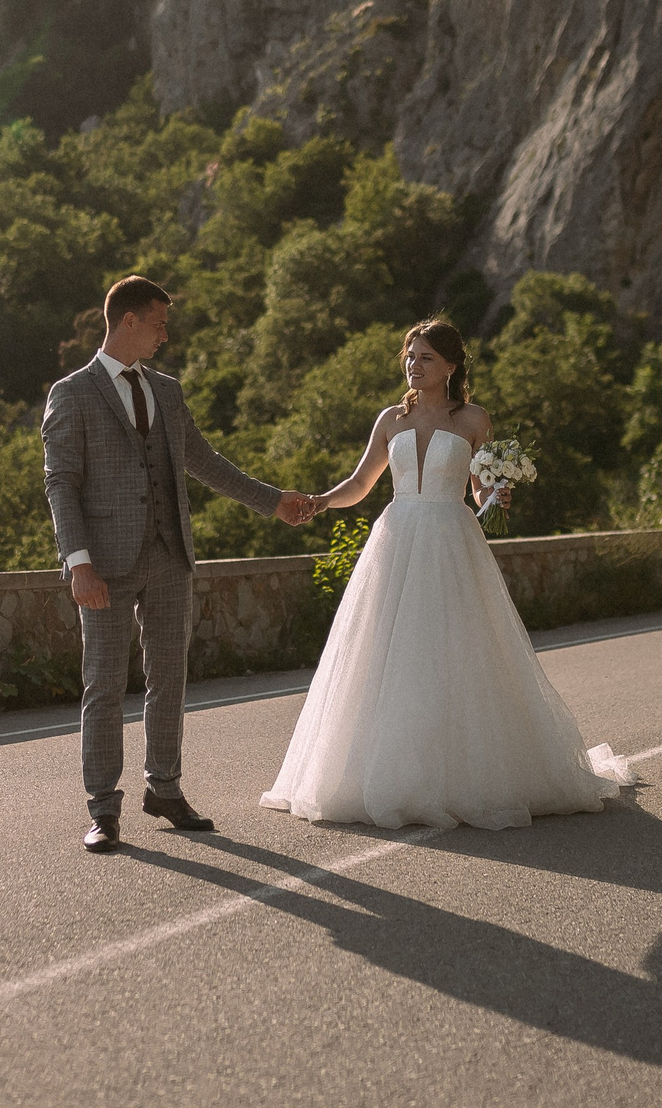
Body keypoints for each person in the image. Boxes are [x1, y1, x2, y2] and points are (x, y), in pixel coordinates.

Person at [262, 318, 633, 830]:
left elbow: (480, 493)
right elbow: (361, 481)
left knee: (456, 651)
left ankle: (464, 774)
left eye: (426, 358)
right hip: (395, 540)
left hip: (451, 540)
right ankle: (379, 772)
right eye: (410, 357)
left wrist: (496, 496)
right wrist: (322, 502)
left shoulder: (475, 419)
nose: (414, 366)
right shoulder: (390, 418)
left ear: (451, 366)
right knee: (386, 652)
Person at [42, 275, 318, 854]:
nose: (167, 334)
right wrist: (78, 563)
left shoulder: (166, 391)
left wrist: (274, 502)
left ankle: (164, 789)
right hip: (106, 565)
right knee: (104, 684)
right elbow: (61, 485)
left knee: (170, 678)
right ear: (129, 321)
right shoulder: (72, 393)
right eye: (160, 323)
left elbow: (204, 462)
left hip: (171, 557)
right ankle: (103, 808)